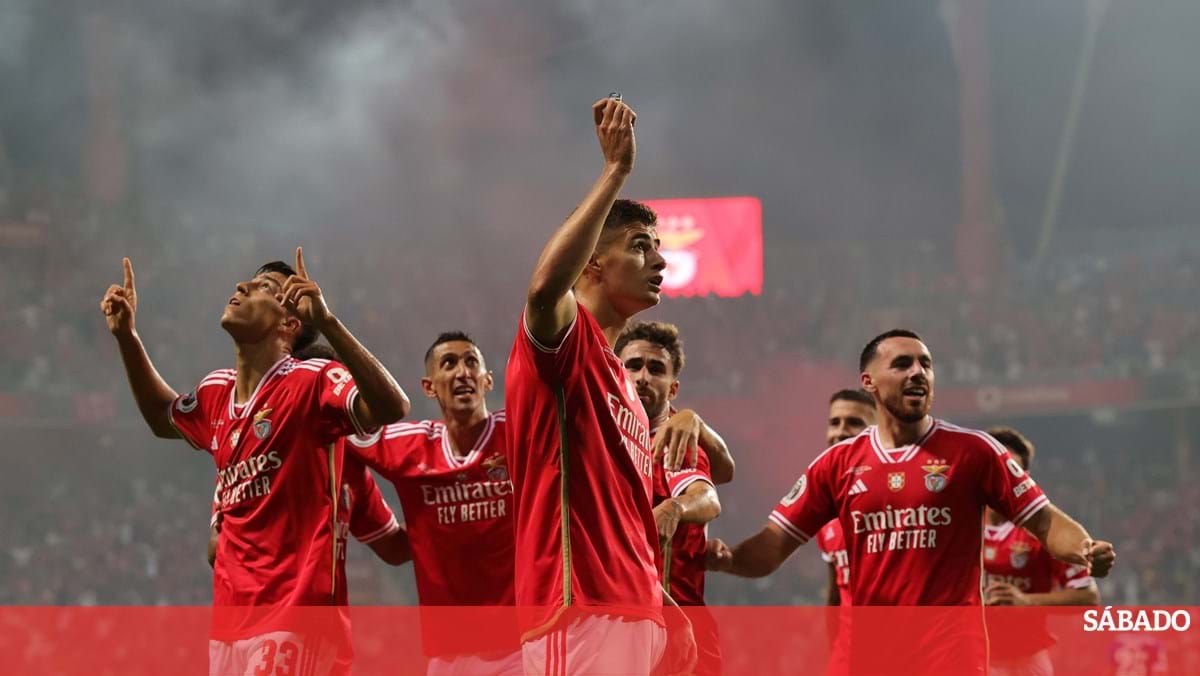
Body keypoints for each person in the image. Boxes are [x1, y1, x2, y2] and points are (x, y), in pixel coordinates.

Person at [706, 329, 1116, 673]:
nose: (918, 372)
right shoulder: (835, 465)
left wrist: (1082, 547)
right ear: (869, 382)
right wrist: (722, 558)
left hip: (952, 654)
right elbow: (773, 545)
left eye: (926, 364)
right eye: (902, 364)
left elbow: (1044, 521)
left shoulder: (975, 451)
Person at [101, 250, 409, 675]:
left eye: (265, 288)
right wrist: (128, 338)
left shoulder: (312, 381)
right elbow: (161, 417)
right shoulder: (214, 393)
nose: (242, 287)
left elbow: (392, 407)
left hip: (294, 619)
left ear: (289, 324)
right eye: (247, 281)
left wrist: (330, 322)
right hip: (230, 625)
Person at [505, 95, 696, 675]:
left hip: (633, 610)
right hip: (576, 608)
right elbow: (542, 290)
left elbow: (624, 515)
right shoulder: (569, 342)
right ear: (591, 263)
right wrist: (615, 172)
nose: (659, 261)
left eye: (658, 247)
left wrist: (661, 602)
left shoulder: (626, 387)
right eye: (640, 246)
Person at [346, 331, 521, 675]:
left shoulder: (518, 434)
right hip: (448, 656)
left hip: (522, 648)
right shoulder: (408, 447)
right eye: (449, 363)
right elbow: (339, 432)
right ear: (429, 387)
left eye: (472, 362)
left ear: (487, 381)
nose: (462, 372)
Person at [207, 344, 410, 571]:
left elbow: (394, 547)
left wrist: (442, 506)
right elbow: (216, 551)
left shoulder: (350, 468)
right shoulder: (254, 463)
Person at [615, 320, 732, 675]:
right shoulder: (603, 438)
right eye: (632, 366)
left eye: (656, 369)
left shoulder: (673, 438)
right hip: (613, 626)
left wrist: (675, 507)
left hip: (678, 629)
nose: (642, 377)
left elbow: (707, 497)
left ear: (674, 386)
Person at [983, 426, 1100, 676]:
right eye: (997, 470)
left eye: (1012, 472)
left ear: (1024, 478)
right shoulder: (956, 523)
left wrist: (1027, 601)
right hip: (972, 656)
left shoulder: (1044, 532)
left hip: (1026, 661)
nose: (1004, 480)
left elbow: (1088, 597)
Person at [814, 388, 875, 675]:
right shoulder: (826, 514)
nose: (840, 432)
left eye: (854, 423)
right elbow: (835, 595)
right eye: (834, 422)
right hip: (846, 659)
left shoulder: (906, 499)